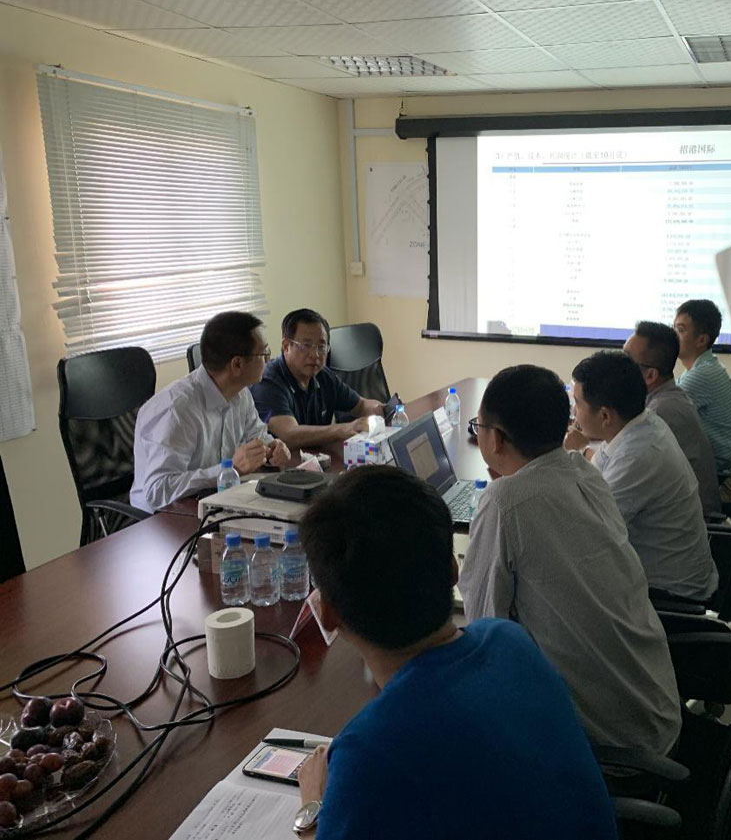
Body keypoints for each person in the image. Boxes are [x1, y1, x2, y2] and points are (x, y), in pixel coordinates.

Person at [294, 466, 617, 840]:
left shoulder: (369, 753)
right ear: (453, 571)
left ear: (327, 612)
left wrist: (313, 807)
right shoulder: (510, 640)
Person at [460, 365, 680, 757]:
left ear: (496, 438)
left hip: (612, 748)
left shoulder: (505, 502)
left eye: (479, 426)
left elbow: (485, 631)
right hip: (654, 708)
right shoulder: (583, 470)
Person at [565, 351, 718, 603]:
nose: (574, 411)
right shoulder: (641, 424)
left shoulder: (638, 456)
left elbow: (587, 535)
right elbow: (597, 471)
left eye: (577, 403)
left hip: (670, 596)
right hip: (660, 575)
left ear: (605, 416)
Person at [130, 311, 290, 512]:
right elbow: (158, 490)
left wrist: (273, 449)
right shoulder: (177, 410)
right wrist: (230, 469)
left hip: (215, 502)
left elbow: (257, 437)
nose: (268, 359)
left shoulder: (241, 394)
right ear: (237, 364)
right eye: (263, 353)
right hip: (161, 518)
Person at [624, 321, 724, 519]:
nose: (617, 367)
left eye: (625, 362)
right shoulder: (667, 398)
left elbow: (624, 471)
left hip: (690, 521)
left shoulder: (660, 412)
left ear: (650, 375)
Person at [250, 309, 383, 450]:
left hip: (319, 458)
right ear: (286, 346)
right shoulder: (267, 382)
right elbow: (289, 435)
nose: (315, 355)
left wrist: (381, 410)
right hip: (283, 461)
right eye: (306, 346)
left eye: (321, 347)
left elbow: (360, 405)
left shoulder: (323, 375)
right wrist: (343, 429)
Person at [673, 299, 731, 502]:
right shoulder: (704, 367)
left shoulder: (701, 376)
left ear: (701, 340)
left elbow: (655, 414)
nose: (672, 336)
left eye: (680, 330)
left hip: (730, 483)